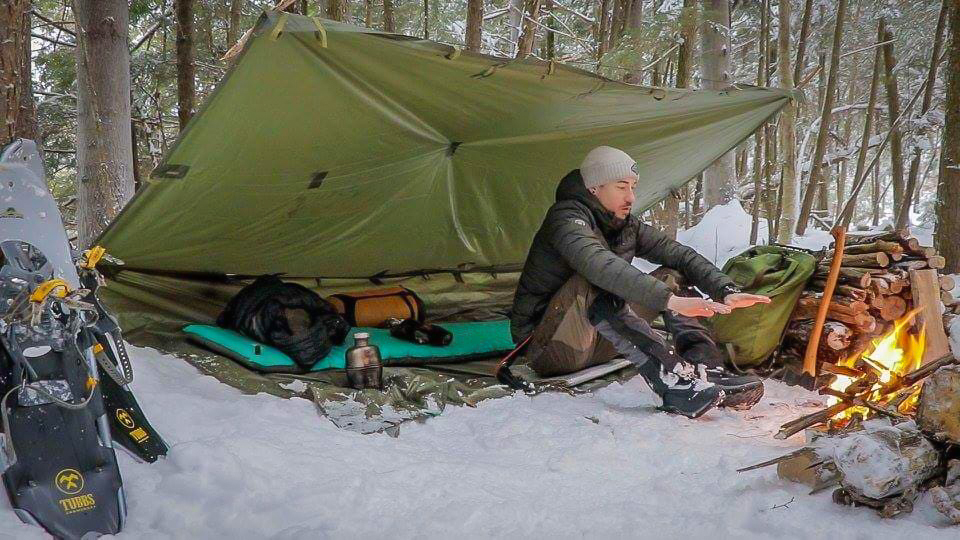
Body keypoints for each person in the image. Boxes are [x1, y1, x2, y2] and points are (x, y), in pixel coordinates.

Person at [510, 146, 770, 418]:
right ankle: (672, 382)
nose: (631, 197)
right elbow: (599, 265)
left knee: (673, 274)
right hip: (549, 348)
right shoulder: (565, 219)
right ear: (594, 188)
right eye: (622, 187)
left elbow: (680, 255)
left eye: (633, 187)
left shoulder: (625, 226)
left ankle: (706, 369)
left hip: (597, 342)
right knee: (597, 280)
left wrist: (724, 289)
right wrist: (670, 301)